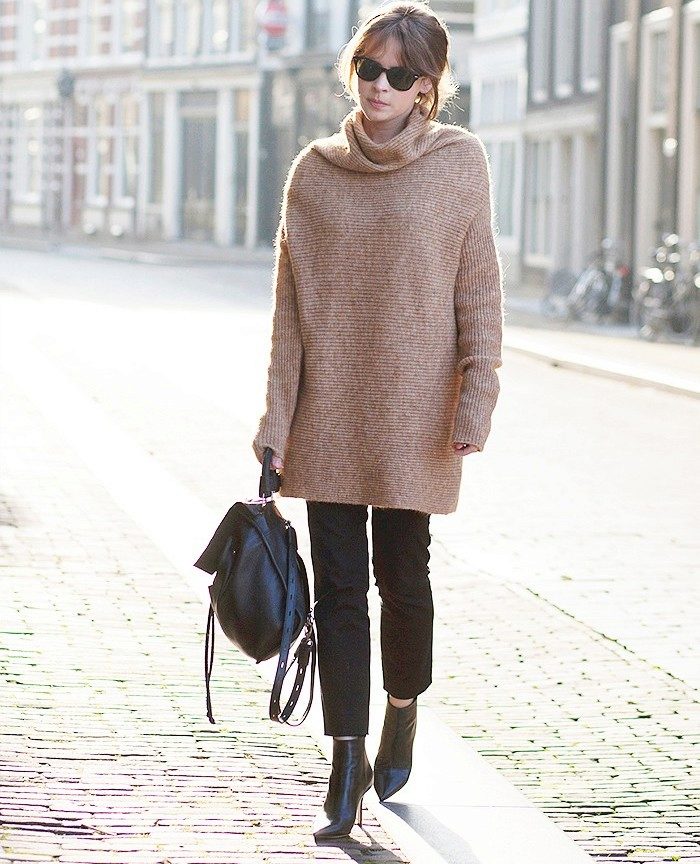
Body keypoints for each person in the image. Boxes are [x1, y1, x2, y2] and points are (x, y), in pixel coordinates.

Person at [253, 0, 504, 840]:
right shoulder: (314, 173)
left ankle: (402, 707)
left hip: (416, 413)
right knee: (337, 594)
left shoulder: (458, 164)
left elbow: (478, 290)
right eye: (369, 68)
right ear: (353, 69)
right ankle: (345, 756)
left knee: (403, 580)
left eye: (400, 74)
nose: (380, 85)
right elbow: (289, 315)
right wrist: (275, 421)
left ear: (428, 86)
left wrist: (476, 396)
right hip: (329, 412)